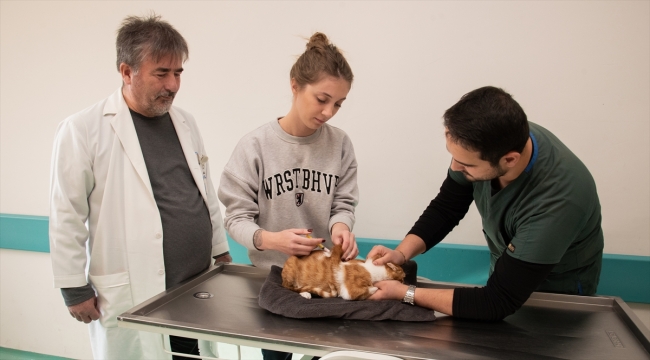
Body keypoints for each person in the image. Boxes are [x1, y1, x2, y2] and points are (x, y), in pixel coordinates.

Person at [49, 14, 231, 359]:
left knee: (192, 355)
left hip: (194, 286)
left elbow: (204, 193)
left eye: (178, 73)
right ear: (126, 71)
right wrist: (73, 287)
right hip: (139, 289)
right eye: (161, 73)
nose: (173, 85)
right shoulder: (83, 129)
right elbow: (66, 213)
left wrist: (219, 248)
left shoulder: (186, 122)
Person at [368, 86, 604, 321]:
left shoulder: (557, 202)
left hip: (554, 303)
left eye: (467, 165)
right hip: (503, 283)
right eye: (454, 158)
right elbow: (447, 206)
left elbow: (497, 302)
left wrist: (405, 293)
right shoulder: (497, 139)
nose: (456, 168)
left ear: (509, 160)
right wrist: (401, 253)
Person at [218, 32, 359, 360]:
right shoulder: (254, 147)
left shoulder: (340, 144)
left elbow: (343, 203)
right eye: (322, 99)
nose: (329, 112)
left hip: (325, 276)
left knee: (323, 354)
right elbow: (236, 219)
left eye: (338, 103)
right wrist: (270, 240)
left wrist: (341, 228)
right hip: (274, 279)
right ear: (295, 85)